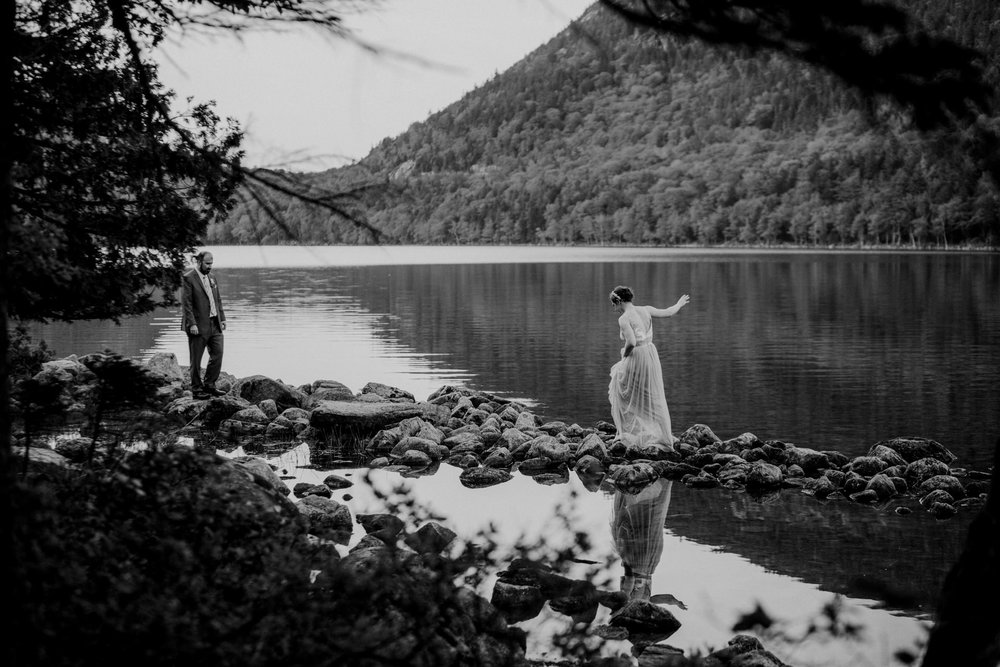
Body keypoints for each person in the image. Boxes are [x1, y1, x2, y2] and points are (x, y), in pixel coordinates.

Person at [608, 285, 689, 451]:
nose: (613, 307)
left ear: (620, 301)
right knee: (653, 394)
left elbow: (631, 342)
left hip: (637, 356)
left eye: (613, 303)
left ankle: (626, 432)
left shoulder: (624, 319)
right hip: (651, 354)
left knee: (619, 387)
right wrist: (679, 304)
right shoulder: (646, 309)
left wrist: (624, 357)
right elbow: (668, 312)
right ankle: (664, 435)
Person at [611, 479, 673, 600]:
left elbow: (628, 580)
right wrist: (674, 601)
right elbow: (658, 599)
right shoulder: (645, 604)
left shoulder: (628, 601)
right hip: (647, 564)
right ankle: (645, 484)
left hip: (637, 562)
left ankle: (638, 485)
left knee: (643, 527)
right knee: (651, 525)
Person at [181, 251, 227, 398]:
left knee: (218, 353)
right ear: (199, 262)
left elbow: (217, 299)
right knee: (196, 359)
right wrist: (192, 324)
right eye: (207, 263)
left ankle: (209, 384)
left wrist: (223, 318)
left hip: (215, 323)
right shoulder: (189, 278)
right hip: (197, 325)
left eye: (211, 263)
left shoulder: (212, 277)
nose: (210, 266)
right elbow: (186, 304)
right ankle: (196, 389)